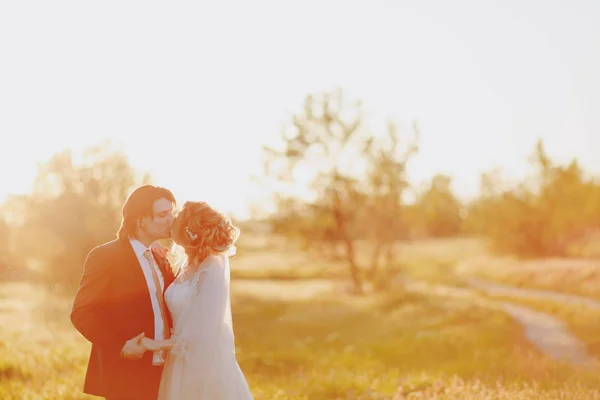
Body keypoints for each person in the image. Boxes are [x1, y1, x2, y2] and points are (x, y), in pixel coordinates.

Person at [71, 185, 177, 399]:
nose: (171, 220)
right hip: (127, 374)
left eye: (172, 213)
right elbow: (81, 313)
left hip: (167, 373)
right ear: (141, 220)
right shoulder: (105, 256)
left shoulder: (160, 256)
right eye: (163, 214)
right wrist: (120, 346)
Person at [141, 201, 253, 399]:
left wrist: (157, 344)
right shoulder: (187, 263)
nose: (171, 222)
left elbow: (203, 330)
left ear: (188, 232)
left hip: (204, 360)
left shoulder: (212, 268)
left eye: (176, 218)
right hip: (179, 357)